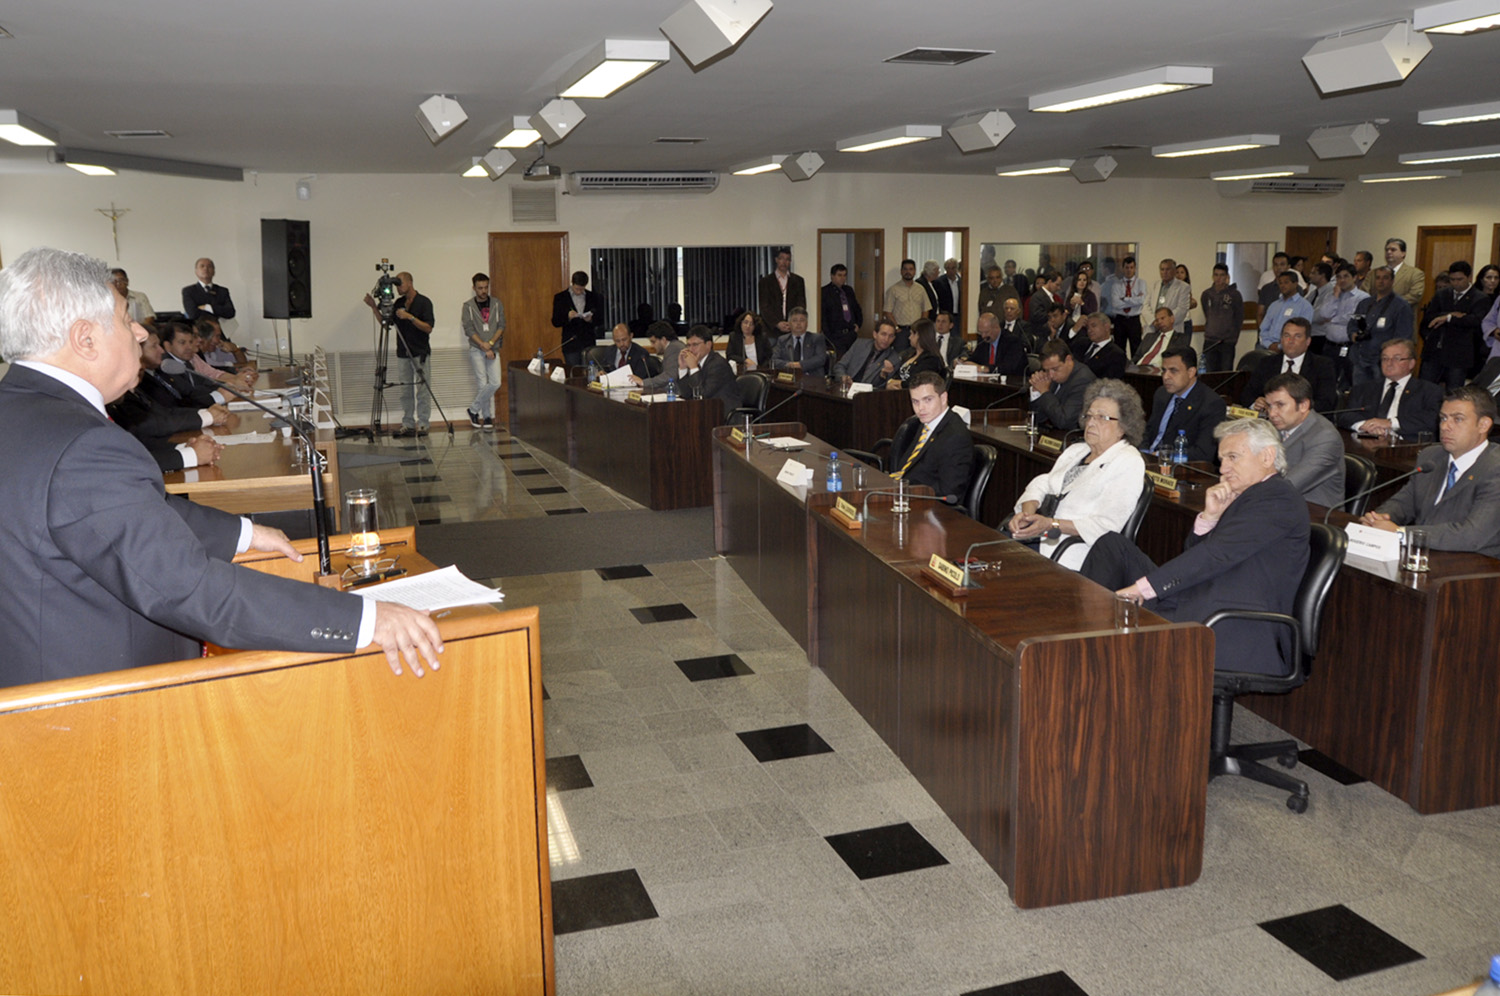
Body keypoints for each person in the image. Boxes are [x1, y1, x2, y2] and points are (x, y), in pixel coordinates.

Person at [0, 246, 441, 687]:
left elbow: (133, 512)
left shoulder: (21, 412)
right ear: (85, 338)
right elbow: (188, 588)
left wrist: (243, 534)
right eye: (123, 319)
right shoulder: (84, 445)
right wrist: (364, 619)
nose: (139, 331)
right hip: (105, 701)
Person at [1082, 417, 1309, 674]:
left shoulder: (1278, 497)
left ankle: (1088, 657)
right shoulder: (1248, 495)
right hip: (1196, 600)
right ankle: (1080, 638)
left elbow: (1216, 555)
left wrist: (1142, 589)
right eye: (1222, 460)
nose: (1224, 469)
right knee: (1111, 545)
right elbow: (1197, 553)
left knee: (1129, 613)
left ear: (1267, 456)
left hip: (1230, 622)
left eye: (1233, 457)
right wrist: (1209, 518)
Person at [1008, 378, 1147, 569]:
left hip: (1071, 554)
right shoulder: (1077, 450)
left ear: (1124, 426)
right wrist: (1027, 515)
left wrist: (1051, 524)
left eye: (1102, 417)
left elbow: (1105, 526)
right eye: (1089, 416)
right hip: (1038, 538)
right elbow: (1044, 482)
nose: (1092, 423)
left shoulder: (1128, 461)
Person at [1361, 387, 1500, 558]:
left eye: (1458, 419)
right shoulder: (1432, 456)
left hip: (1476, 566)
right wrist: (1378, 519)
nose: (1445, 426)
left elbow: (1472, 535)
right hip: (1425, 555)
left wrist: (1400, 533)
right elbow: (1404, 502)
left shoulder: (1495, 468)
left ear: (1483, 425)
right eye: (1443, 418)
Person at [109, 328, 230, 472]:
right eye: (154, 346)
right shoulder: (113, 400)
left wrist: (186, 448)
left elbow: (163, 415)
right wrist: (190, 454)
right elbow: (146, 427)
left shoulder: (148, 378)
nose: (161, 351)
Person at [364, 270, 434, 437]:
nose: (397, 288)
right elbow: (385, 323)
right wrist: (374, 307)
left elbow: (428, 328)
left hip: (420, 352)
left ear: (410, 283)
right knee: (405, 391)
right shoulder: (399, 303)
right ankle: (408, 423)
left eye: (400, 284)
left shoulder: (424, 302)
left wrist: (409, 317)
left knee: (423, 390)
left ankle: (423, 424)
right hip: (403, 352)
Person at [1335, 338, 1442, 442]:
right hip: (1367, 442)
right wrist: (1364, 425)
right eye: (1385, 358)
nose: (1389, 363)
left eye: (1396, 358)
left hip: (1408, 446)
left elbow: (1432, 419)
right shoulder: (1363, 388)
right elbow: (1345, 415)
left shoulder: (1429, 390)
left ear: (1411, 363)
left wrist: (1390, 423)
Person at [1262, 373, 1344, 509]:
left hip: (1314, 514)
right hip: (1277, 505)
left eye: (1280, 405)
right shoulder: (1274, 428)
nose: (1272, 413)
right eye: (1269, 406)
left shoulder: (1325, 437)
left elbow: (1288, 485)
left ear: (1303, 405)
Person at [887, 370, 973, 499]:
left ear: (943, 398)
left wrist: (906, 492)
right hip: (905, 492)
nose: (920, 408)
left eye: (927, 400)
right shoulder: (927, 422)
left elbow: (948, 492)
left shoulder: (955, 437)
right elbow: (906, 469)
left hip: (927, 504)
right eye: (915, 402)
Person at [1141, 346, 1227, 461]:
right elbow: (1149, 431)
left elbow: (1203, 453)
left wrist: (1161, 455)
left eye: (1173, 371)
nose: (1166, 377)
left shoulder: (1211, 404)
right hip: (1147, 459)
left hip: (1177, 466)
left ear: (1191, 372)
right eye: (1164, 370)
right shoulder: (1161, 394)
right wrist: (1143, 452)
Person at [1419, 261, 1493, 390]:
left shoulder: (1480, 298)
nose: (1456, 283)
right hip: (1435, 351)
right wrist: (1451, 315)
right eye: (1452, 279)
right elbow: (1429, 317)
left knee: (1454, 391)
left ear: (1469, 277)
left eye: (1460, 279)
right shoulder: (1441, 294)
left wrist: (1448, 319)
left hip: (1459, 355)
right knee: (1425, 388)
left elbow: (1475, 321)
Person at [1240, 317, 1337, 414]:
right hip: (1268, 418)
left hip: (1304, 420)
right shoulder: (1267, 363)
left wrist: (1291, 410)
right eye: (1287, 335)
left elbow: (1325, 403)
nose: (1291, 340)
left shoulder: (1322, 365)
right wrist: (1256, 403)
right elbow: (1246, 395)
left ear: (1308, 341)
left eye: (1297, 336)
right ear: (1281, 339)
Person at [1349, 267, 1415, 385]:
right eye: (1378, 278)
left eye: (1385, 278)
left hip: (1383, 362)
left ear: (1392, 281)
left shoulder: (1401, 306)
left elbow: (1403, 337)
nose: (1381, 281)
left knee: (1381, 393)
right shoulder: (1365, 303)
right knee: (1359, 393)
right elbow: (1353, 323)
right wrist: (1353, 334)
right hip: (1360, 358)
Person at [460, 271, 504, 430]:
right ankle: (486, 416)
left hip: (493, 348)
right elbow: (469, 329)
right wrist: (483, 345)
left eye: (486, 287)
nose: (483, 291)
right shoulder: (468, 306)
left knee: (496, 382)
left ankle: (473, 409)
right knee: (482, 383)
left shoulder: (496, 304)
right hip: (476, 349)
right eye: (480, 288)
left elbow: (501, 326)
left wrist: (490, 344)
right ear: (474, 288)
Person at [1313, 263, 1369, 389]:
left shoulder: (1362, 297)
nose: (1342, 280)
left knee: (1350, 381)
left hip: (1350, 346)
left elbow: (1354, 319)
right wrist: (1335, 296)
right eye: (1339, 277)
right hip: (1330, 346)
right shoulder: (1332, 295)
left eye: (1346, 276)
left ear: (1354, 277)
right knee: (1327, 381)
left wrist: (1332, 319)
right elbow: (1324, 314)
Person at [673, 325, 739, 419]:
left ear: (708, 345)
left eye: (695, 345)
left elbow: (702, 396)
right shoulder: (698, 362)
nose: (690, 350)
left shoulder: (718, 364)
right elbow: (686, 395)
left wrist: (693, 367)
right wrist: (683, 368)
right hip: (707, 412)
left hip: (724, 416)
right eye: (688, 345)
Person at [1028, 339, 1096, 429]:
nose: (1051, 375)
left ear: (1068, 360)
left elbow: (1064, 422)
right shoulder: (1055, 377)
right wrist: (1036, 391)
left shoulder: (1083, 380)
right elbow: (1038, 418)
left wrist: (1044, 392)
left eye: (1055, 369)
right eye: (1047, 370)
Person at [551, 271, 604, 369]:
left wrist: (591, 319)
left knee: (590, 371)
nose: (579, 292)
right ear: (572, 283)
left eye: (582, 289)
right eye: (577, 289)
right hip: (571, 343)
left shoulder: (593, 297)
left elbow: (600, 320)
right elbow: (555, 321)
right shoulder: (561, 298)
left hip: (588, 343)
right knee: (574, 372)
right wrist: (567, 316)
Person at [1198, 263, 1244, 374]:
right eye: (1216, 275)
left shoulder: (1234, 295)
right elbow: (1207, 313)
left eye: (1222, 275)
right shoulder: (1206, 294)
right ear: (1212, 276)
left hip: (1227, 342)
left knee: (1225, 374)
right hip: (1210, 341)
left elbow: (1239, 317)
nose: (1219, 278)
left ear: (1227, 276)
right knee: (1208, 374)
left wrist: (1233, 338)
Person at [1256, 270, 1314, 350]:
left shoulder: (1305, 306)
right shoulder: (1274, 305)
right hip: (1267, 347)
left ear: (1295, 284)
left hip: (1291, 348)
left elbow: (1302, 332)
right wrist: (1269, 345)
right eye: (1280, 283)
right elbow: (1264, 328)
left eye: (1286, 282)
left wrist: (1280, 347)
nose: (1282, 285)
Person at [834, 319, 900, 388]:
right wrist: (843, 377)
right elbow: (839, 366)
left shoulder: (894, 359)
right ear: (875, 334)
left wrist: (883, 376)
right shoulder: (859, 344)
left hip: (867, 392)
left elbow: (882, 387)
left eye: (891, 336)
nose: (886, 339)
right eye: (883, 334)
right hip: (847, 388)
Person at [757, 248, 806, 337]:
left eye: (787, 259)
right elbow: (764, 307)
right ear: (776, 260)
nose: (784, 262)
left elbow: (801, 304)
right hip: (771, 330)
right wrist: (777, 323)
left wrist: (793, 322)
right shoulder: (765, 281)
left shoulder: (798, 281)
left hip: (792, 329)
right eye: (781, 258)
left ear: (790, 262)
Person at [888, 317, 947, 389]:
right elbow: (897, 375)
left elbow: (917, 382)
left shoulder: (931, 359)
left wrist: (900, 384)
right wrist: (891, 382)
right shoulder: (909, 354)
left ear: (919, 336)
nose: (909, 337)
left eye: (912, 334)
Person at [964, 311, 1027, 378]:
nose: (983, 336)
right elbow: (974, 359)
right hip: (987, 381)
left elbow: (1008, 367)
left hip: (1012, 381)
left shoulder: (1013, 341)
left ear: (996, 328)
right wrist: (965, 363)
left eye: (986, 332)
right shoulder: (984, 342)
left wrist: (986, 369)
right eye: (980, 332)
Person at [1107, 255, 1148, 354]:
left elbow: (1142, 300)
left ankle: (1136, 365)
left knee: (1136, 348)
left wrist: (1124, 299)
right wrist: (1134, 300)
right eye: (1126, 267)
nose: (1129, 270)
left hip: (1134, 320)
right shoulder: (1116, 285)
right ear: (1122, 268)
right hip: (1120, 320)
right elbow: (1116, 304)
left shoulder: (1141, 283)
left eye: (1131, 267)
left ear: (1135, 269)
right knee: (1119, 348)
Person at [819, 264, 863, 356]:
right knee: (839, 360)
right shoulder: (824, 292)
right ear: (832, 276)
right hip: (835, 336)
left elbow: (857, 309)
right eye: (839, 275)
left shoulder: (848, 290)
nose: (842, 278)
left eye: (844, 275)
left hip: (851, 334)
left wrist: (858, 324)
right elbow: (823, 315)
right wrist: (828, 335)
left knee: (852, 359)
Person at [770, 307, 828, 376]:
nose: (798, 323)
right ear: (789, 324)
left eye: (802, 320)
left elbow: (820, 359)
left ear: (807, 323)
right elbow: (774, 360)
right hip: (789, 377)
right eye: (794, 320)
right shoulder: (782, 340)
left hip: (811, 377)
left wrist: (800, 365)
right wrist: (789, 365)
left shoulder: (816, 338)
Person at [1074, 312, 1127, 380]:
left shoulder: (1116, 354)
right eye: (1087, 327)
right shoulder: (1081, 343)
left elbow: (1109, 382)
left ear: (1106, 327)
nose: (1089, 330)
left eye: (1093, 326)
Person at [632, 321, 682, 392]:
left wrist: (643, 382)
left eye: (653, 342)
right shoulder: (674, 346)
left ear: (663, 340)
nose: (652, 345)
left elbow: (670, 375)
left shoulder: (673, 348)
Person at [1150, 259, 1192, 340]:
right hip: (1154, 328)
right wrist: (1154, 321)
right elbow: (1145, 305)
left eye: (1167, 269)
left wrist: (1164, 322)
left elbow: (1182, 309)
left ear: (1174, 271)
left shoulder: (1183, 287)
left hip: (1173, 329)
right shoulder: (1154, 285)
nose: (1164, 272)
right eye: (1162, 269)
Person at [883, 258, 929, 330]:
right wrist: (896, 327)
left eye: (911, 269)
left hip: (917, 330)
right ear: (901, 271)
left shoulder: (921, 289)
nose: (908, 272)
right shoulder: (893, 290)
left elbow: (926, 309)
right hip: (901, 330)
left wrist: (921, 326)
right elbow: (887, 312)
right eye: (905, 269)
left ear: (914, 271)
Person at [1384, 237, 1426, 309]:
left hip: (1401, 313)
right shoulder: (1373, 273)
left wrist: (1389, 303)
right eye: (1387, 250)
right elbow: (1366, 293)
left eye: (1393, 250)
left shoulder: (1415, 274)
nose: (1389, 252)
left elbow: (1415, 295)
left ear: (1403, 253)